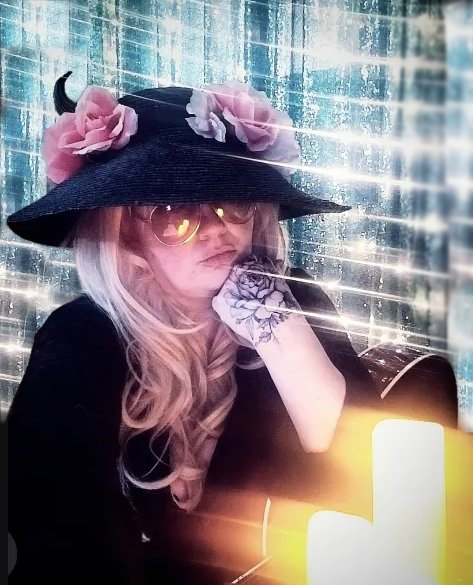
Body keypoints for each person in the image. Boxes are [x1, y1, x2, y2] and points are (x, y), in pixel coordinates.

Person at [6, 72, 380, 584]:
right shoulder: (80, 338)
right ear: (124, 237)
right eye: (173, 212)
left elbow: (366, 481)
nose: (216, 227)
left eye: (234, 200)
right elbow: (60, 542)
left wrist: (276, 326)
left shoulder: (296, 300)